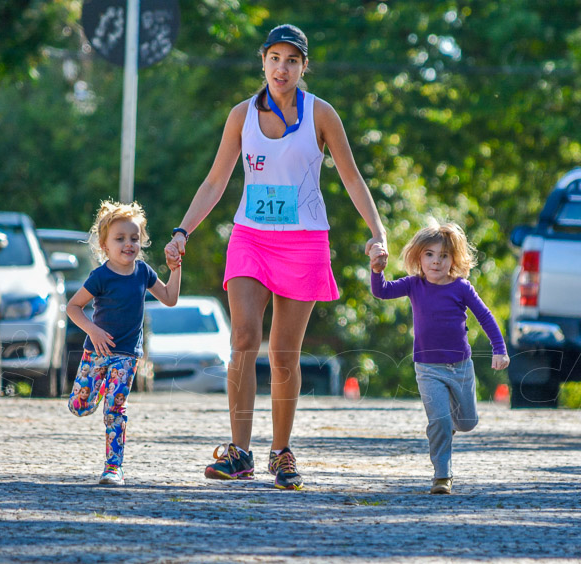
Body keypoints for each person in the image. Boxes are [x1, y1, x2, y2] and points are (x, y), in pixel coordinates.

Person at [164, 24, 389, 490]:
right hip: (250, 238)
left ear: (304, 67)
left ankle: (281, 452)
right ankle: (239, 452)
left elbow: (352, 178)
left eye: (292, 60)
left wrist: (377, 234)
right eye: (274, 58)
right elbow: (215, 181)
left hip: (304, 242)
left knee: (285, 355)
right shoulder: (240, 116)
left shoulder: (321, 115)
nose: (281, 68)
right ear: (262, 61)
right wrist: (183, 229)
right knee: (244, 337)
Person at [370, 222, 509, 495]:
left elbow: (485, 316)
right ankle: (442, 475)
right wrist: (377, 270)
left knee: (467, 423)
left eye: (444, 256)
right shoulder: (413, 285)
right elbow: (382, 291)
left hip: (460, 368)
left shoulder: (461, 288)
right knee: (440, 421)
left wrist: (499, 349)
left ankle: (445, 429)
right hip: (427, 368)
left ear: (454, 260)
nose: (436, 262)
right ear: (419, 257)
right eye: (430, 255)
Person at [66, 201, 181, 486]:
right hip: (96, 352)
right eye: (120, 239)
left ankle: (113, 468)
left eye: (134, 238)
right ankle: (102, 388)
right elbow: (73, 307)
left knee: (115, 410)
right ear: (104, 244)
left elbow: (169, 298)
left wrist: (175, 268)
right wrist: (93, 331)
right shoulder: (100, 276)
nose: (128, 244)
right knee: (79, 406)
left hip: (127, 356)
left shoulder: (143, 272)